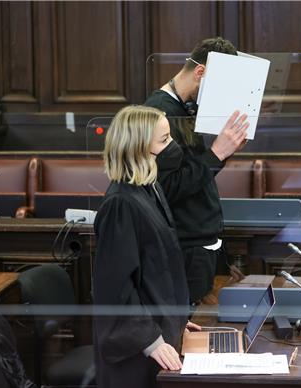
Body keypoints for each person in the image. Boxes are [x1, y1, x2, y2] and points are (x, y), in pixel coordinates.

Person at [92, 105, 200, 388]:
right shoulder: (121, 204)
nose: (172, 147)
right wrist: (150, 340)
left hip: (161, 332)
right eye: (164, 141)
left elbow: (158, 268)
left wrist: (174, 322)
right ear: (138, 148)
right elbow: (116, 288)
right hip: (136, 354)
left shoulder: (148, 188)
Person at [144, 37, 249, 304]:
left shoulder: (185, 109)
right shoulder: (160, 113)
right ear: (200, 72)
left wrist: (222, 152)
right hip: (185, 246)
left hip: (199, 241)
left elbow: (195, 172)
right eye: (221, 87)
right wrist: (216, 153)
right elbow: (166, 188)